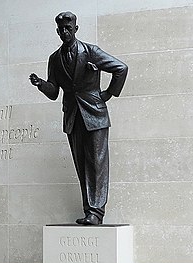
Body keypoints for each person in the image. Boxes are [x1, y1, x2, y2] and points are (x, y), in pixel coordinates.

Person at [29, 11, 128, 225]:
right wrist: (41, 85)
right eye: (61, 29)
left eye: (69, 28)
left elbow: (121, 68)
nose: (65, 32)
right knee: (82, 166)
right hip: (73, 117)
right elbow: (54, 91)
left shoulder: (91, 52)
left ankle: (96, 213)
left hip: (95, 115)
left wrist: (108, 94)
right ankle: (90, 212)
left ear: (76, 29)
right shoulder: (54, 59)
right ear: (57, 31)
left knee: (97, 165)